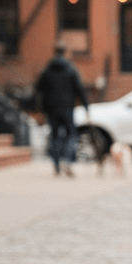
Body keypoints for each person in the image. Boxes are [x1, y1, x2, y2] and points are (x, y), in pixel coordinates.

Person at [35, 42, 89, 176]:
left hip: (51, 109)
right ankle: (67, 160)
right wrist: (86, 107)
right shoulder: (70, 69)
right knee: (71, 134)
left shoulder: (47, 70)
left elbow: (38, 89)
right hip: (67, 108)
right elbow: (80, 89)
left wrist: (40, 106)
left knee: (54, 136)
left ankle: (56, 164)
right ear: (65, 52)